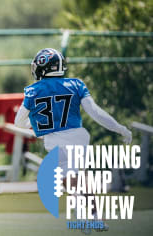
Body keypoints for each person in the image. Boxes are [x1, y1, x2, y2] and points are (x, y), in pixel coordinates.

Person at [14, 48, 132, 233]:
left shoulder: (33, 91)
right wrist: (119, 128)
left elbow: (18, 121)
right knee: (78, 177)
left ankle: (84, 218)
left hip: (56, 142)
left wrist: (37, 123)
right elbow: (96, 112)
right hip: (79, 137)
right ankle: (93, 217)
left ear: (42, 68)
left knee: (68, 179)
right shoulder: (76, 85)